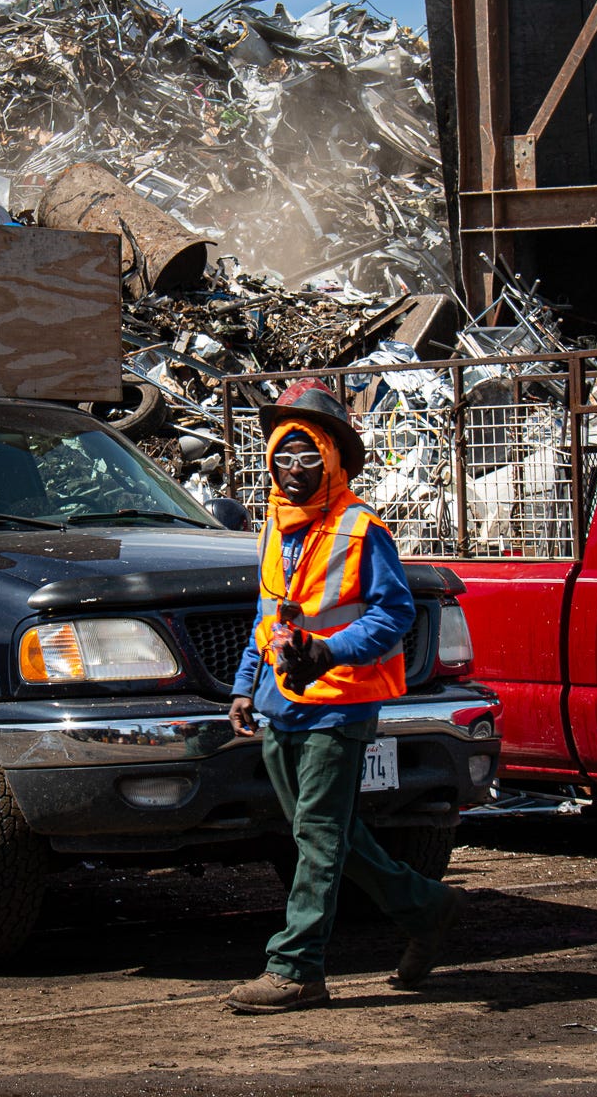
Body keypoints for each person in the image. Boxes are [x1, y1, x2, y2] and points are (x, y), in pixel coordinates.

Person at [223, 378, 466, 1015]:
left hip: (339, 704)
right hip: (280, 704)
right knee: (323, 832)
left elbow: (393, 614)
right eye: (284, 455)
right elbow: (266, 614)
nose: (294, 468)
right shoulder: (272, 529)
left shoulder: (363, 529)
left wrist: (330, 650)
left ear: (332, 461)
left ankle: (295, 969)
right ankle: (428, 908)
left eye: (308, 457)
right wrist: (246, 685)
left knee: (319, 837)